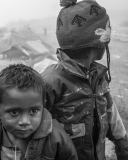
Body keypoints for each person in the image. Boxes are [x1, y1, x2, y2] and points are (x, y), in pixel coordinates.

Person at [41, 0, 128, 160]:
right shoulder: (51, 81)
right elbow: (32, 125)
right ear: (98, 43)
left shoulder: (97, 75)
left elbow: (108, 109)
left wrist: (121, 140)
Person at [0, 64, 78, 160]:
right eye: (14, 112)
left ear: (43, 106)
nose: (25, 121)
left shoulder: (56, 136)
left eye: (33, 111)